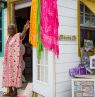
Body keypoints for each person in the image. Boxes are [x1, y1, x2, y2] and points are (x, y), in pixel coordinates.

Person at [2, 21, 30, 97]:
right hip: (7, 61)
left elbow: (22, 35)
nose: (9, 30)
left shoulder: (17, 36)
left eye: (11, 29)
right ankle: (9, 91)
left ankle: (15, 92)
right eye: (8, 29)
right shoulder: (7, 37)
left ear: (14, 30)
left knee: (15, 74)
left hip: (15, 60)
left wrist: (25, 29)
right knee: (8, 75)